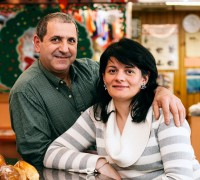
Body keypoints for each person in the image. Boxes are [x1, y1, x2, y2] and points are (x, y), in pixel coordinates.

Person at [9, 12, 185, 166]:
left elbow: (129, 81)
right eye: (56, 39)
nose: (64, 48)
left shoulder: (92, 70)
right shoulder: (25, 90)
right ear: (37, 43)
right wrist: (99, 162)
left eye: (71, 41)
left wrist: (161, 90)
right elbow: (37, 154)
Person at [43, 38, 200, 179]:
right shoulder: (96, 114)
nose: (119, 77)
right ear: (104, 77)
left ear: (144, 78)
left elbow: (180, 177)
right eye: (112, 70)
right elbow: (52, 153)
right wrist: (99, 163)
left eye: (129, 71)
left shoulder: (164, 112)